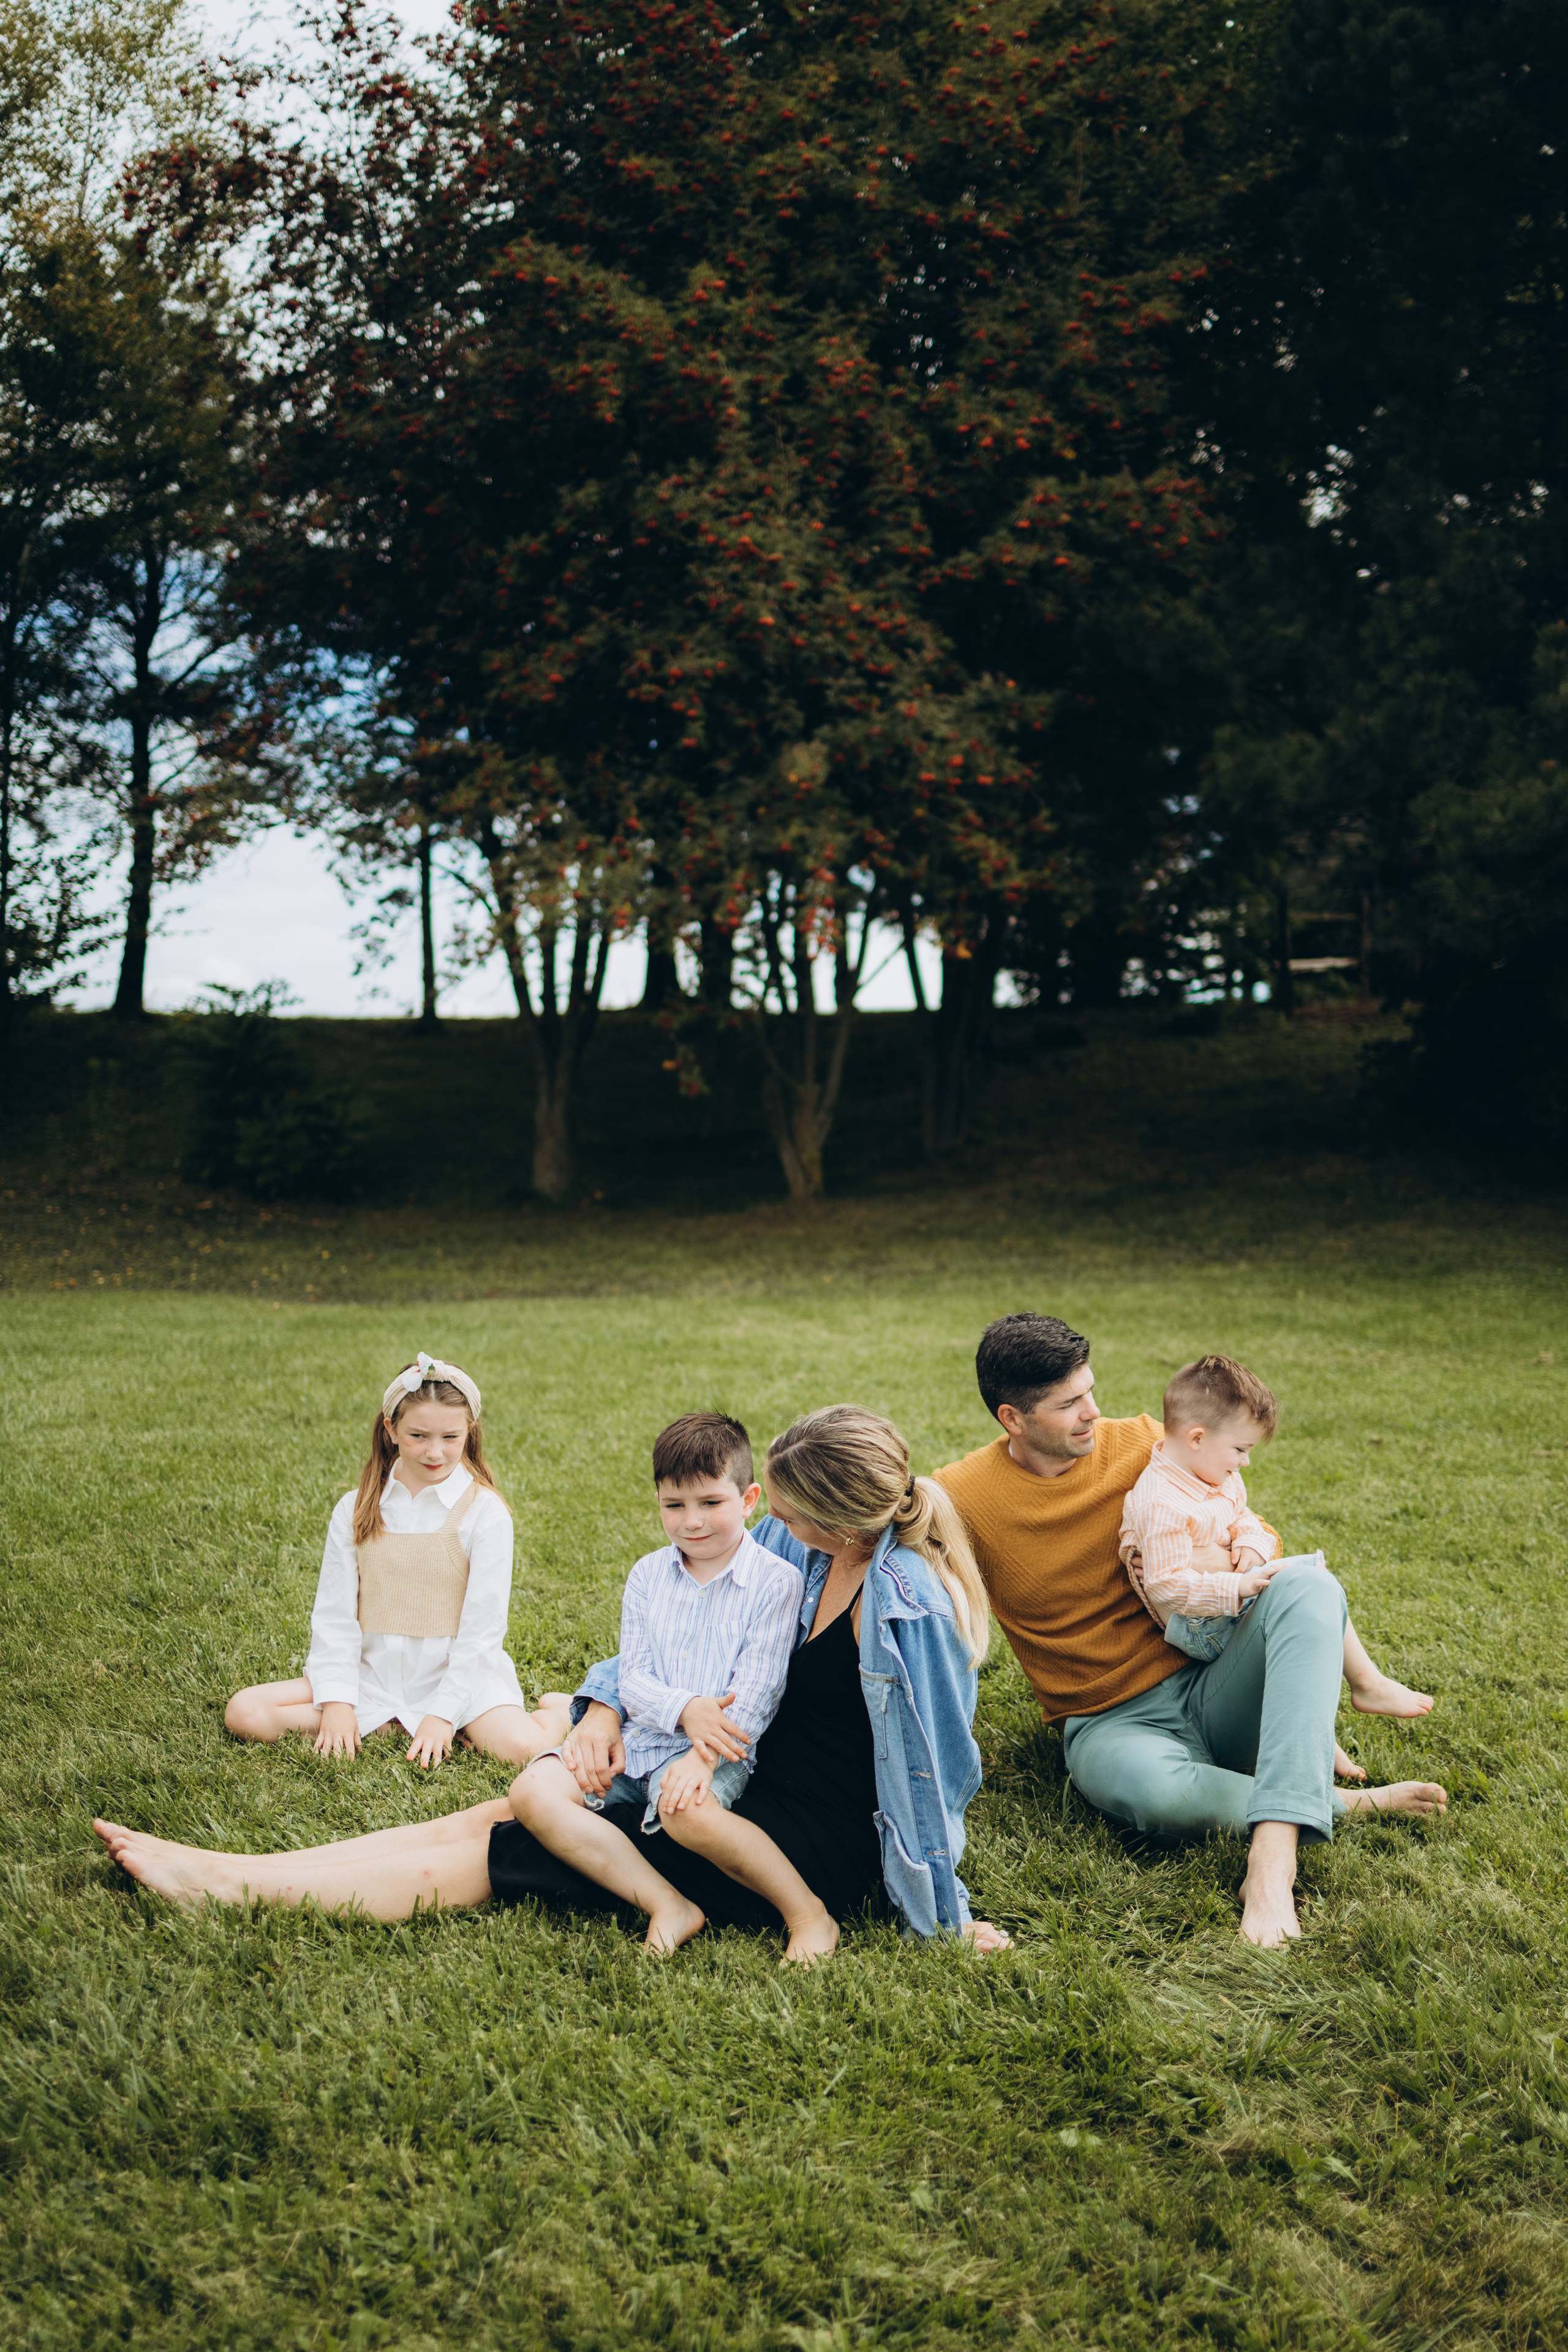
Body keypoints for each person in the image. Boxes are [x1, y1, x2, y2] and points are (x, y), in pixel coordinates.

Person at [92, 1406, 1010, 1961]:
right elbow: (678, 1643)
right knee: (500, 1811)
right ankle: (235, 1868)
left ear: (834, 1514)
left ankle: (226, 1891)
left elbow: (936, 1772)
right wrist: (603, 1708)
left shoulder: (906, 1606)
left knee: (505, 1859)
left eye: (789, 1505)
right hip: (727, 1776)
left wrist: (944, 1916)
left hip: (797, 1838)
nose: (768, 1521)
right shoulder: (799, 1549)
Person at [933, 1314, 1447, 1950]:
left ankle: (1271, 1863)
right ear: (1012, 1418)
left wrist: (1223, 1563)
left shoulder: (1147, 1444)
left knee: (1310, 1585)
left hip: (1212, 1676)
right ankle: (1331, 1796)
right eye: (1068, 1404)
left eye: (1090, 1390)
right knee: (1156, 1794)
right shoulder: (960, 1499)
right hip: (1111, 1722)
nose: (1093, 1412)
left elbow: (1251, 1527)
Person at [507, 1413, 802, 1951]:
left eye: (710, 1503)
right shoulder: (647, 1576)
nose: (692, 1522)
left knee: (685, 1811)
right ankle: (667, 1902)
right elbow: (632, 1677)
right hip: (637, 1742)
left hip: (717, 1750)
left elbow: (759, 1690)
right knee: (532, 1792)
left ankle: (806, 1914)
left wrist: (702, 1756)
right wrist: (686, 1705)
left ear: (749, 1498)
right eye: (675, 1505)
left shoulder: (776, 1582)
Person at [222, 1352, 571, 1771]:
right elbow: (335, 1616)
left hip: (456, 1681)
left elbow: (483, 1630)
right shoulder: (355, 1508)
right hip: (372, 1679)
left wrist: (444, 1714)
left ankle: (556, 1711)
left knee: (523, 1750)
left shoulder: (485, 1512)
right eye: (418, 1436)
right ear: (390, 1429)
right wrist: (337, 1702)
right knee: (246, 1712)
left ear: (469, 1433)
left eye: (450, 1438)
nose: (435, 1453)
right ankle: (394, 1722)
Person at [1121, 1353, 1438, 1728]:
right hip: (1199, 1627)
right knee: (1305, 1585)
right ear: (1197, 1438)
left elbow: (1243, 1517)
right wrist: (1237, 1585)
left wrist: (1253, 1543)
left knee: (1305, 1592)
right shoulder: (1161, 1504)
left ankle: (1341, 1705)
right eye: (1241, 1450)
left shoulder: (1213, 1473)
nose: (1245, 1463)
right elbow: (1166, 1583)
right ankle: (1365, 1684)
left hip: (1218, 1607)